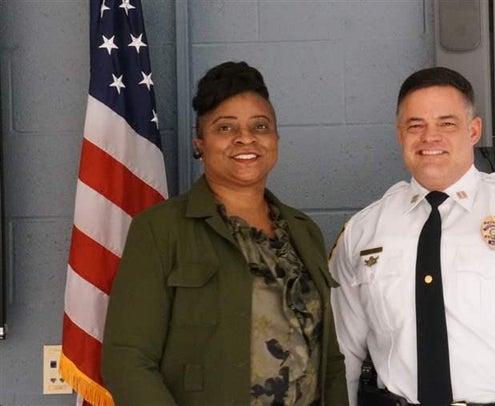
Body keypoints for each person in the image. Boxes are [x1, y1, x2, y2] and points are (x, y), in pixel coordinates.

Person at [329, 66, 495, 405]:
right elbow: (340, 357)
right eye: (416, 126)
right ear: (401, 135)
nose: (431, 137)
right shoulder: (363, 232)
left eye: (447, 123)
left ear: (474, 131)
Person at [102, 61, 348, 405]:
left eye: (260, 126)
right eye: (225, 128)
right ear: (199, 143)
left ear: (275, 138)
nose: (245, 138)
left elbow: (330, 362)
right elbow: (127, 361)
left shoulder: (304, 231)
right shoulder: (160, 230)